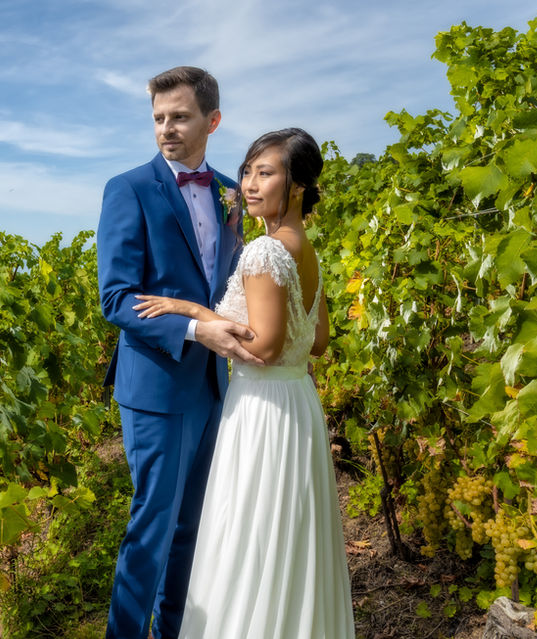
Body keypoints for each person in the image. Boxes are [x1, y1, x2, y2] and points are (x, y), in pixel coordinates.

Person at [133, 128, 356, 638]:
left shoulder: (264, 253)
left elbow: (263, 348)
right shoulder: (308, 249)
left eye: (266, 173)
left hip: (261, 409)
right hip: (298, 401)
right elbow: (318, 342)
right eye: (249, 171)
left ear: (297, 185)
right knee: (290, 536)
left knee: (250, 534)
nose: (250, 184)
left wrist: (190, 310)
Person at [96, 66, 258, 639]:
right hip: (157, 388)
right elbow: (115, 298)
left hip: (216, 386)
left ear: (212, 120)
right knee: (152, 528)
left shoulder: (230, 194)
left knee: (195, 527)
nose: (166, 128)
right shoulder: (129, 189)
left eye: (180, 116)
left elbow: (232, 282)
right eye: (159, 118)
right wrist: (196, 331)